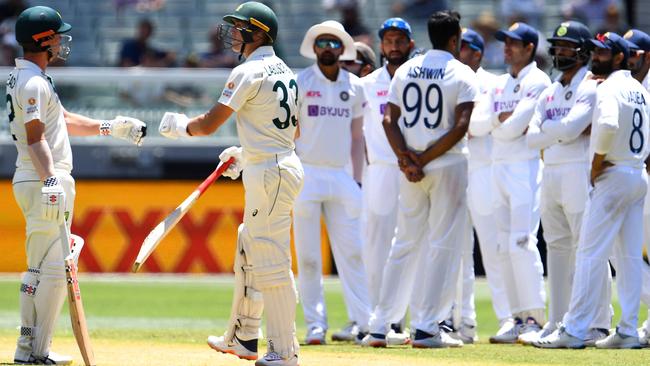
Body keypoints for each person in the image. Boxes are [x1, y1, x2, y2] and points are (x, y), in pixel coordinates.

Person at [157, 2, 303, 365]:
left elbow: (207, 124)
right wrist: (247, 151)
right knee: (249, 246)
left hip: (270, 172)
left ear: (257, 33)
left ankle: (284, 352)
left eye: (239, 28)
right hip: (278, 164)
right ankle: (243, 338)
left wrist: (179, 127)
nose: (233, 34)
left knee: (270, 260)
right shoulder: (286, 70)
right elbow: (291, 130)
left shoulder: (248, 70)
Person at [9, 6, 146, 364]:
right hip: (42, 179)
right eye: (56, 35)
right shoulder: (33, 82)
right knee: (52, 269)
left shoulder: (33, 78)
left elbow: (64, 121)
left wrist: (111, 127)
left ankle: (29, 348)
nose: (61, 41)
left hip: (36, 178)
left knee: (39, 269)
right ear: (42, 40)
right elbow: (35, 137)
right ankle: (34, 351)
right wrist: (50, 179)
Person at [364, 10, 478, 348]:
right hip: (446, 166)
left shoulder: (407, 70)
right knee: (443, 244)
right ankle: (428, 326)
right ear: (455, 39)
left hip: (409, 167)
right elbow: (461, 126)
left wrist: (406, 160)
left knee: (404, 242)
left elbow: (388, 119)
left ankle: (380, 325)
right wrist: (424, 160)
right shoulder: (462, 73)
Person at [535, 32, 649, 349]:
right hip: (636, 174)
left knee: (588, 253)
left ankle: (574, 328)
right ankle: (627, 330)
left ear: (619, 57)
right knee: (627, 257)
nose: (595, 57)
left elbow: (609, 125)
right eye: (595, 52)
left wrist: (597, 162)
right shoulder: (639, 89)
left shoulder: (610, 87)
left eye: (603, 53)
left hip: (612, 175)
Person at [524, 21, 612, 346]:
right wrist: (557, 129)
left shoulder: (591, 86)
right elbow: (531, 139)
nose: (560, 52)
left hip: (579, 170)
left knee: (587, 248)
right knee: (557, 248)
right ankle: (557, 321)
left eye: (567, 47)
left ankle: (599, 323)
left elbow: (572, 129)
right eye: (557, 47)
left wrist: (552, 127)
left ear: (584, 52)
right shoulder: (550, 88)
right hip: (552, 172)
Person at [470, 22, 551, 343]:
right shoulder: (500, 83)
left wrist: (495, 124)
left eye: (514, 43)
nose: (506, 47)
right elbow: (475, 126)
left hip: (525, 168)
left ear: (529, 48)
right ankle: (516, 317)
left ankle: (535, 316)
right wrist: (494, 121)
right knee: (503, 246)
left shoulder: (539, 81)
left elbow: (516, 127)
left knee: (522, 242)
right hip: (497, 169)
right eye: (505, 42)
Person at [292, 19, 371, 345]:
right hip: (306, 173)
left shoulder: (355, 86)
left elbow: (357, 137)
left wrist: (358, 179)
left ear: (343, 49)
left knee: (352, 253)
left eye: (333, 43)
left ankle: (365, 322)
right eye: (322, 43)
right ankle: (314, 325)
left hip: (340, 175)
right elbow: (290, 133)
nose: (327, 49)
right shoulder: (299, 82)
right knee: (309, 258)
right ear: (314, 48)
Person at [358, 17, 414, 347]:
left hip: (411, 168)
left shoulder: (418, 78)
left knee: (407, 242)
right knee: (375, 247)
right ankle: (378, 317)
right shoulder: (367, 85)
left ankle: (400, 318)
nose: (393, 46)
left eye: (399, 40)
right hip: (378, 169)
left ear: (409, 43)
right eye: (388, 40)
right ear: (381, 45)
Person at [459, 27, 508, 344]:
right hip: (456, 168)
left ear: (477, 52)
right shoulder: (450, 78)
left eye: (464, 47)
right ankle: (462, 320)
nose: (458, 52)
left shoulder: (494, 83)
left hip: (486, 171)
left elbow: (477, 127)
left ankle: (507, 317)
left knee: (493, 249)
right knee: (458, 251)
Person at [622, 28, 650, 347]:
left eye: (635, 53)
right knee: (627, 253)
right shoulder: (626, 84)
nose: (630, 58)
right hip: (634, 174)